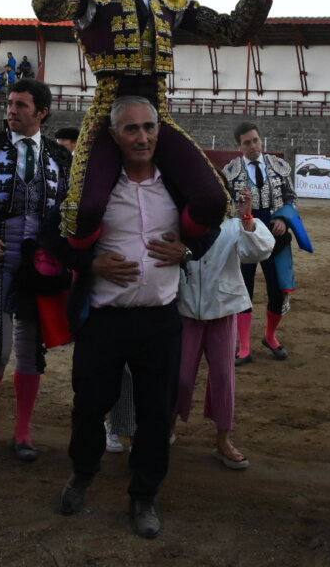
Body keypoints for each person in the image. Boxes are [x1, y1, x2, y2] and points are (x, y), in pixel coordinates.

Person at [32, 0, 271, 246]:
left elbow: (231, 31)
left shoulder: (170, 2)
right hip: (106, 117)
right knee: (84, 211)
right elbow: (44, 7)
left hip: (157, 116)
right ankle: (90, 271)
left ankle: (181, 256)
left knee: (214, 199)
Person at [51, 95, 212, 540]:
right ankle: (83, 473)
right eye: (131, 129)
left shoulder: (177, 187)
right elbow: (54, 237)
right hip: (105, 320)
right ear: (114, 136)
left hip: (160, 321)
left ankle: (144, 494)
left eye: (148, 127)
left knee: (155, 414)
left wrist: (189, 250)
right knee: (88, 408)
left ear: (160, 131)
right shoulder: (93, 190)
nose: (142, 136)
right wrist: (90, 265)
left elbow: (210, 227)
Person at [0, 78, 71, 461]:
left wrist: (57, 255)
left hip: (39, 258)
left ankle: (23, 430)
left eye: (21, 105)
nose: (12, 110)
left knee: (30, 347)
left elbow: (66, 213)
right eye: (10, 103)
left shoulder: (59, 155)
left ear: (42, 112)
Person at [176, 186, 274, 470]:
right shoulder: (180, 225)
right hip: (185, 310)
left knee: (223, 377)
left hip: (222, 310)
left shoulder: (233, 227)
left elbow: (260, 250)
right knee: (180, 376)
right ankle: (167, 426)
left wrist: (247, 219)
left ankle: (224, 439)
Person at [222, 122, 301, 363]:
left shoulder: (279, 166)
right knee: (243, 289)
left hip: (275, 233)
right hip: (244, 231)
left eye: (256, 140)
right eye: (247, 143)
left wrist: (285, 221)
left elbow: (291, 198)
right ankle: (244, 347)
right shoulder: (230, 171)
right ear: (239, 146)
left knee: (278, 290)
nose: (253, 146)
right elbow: (226, 206)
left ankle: (270, 336)